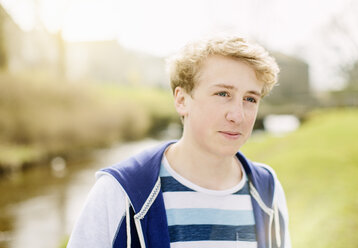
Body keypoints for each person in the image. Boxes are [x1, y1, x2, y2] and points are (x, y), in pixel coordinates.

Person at [67, 35, 291, 248]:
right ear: (182, 100)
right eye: (223, 94)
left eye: (250, 99)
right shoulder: (121, 192)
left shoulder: (267, 190)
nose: (238, 115)